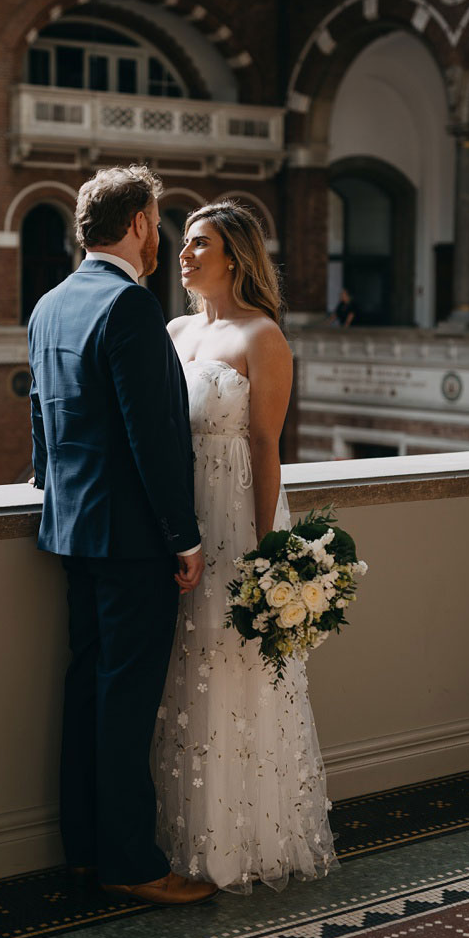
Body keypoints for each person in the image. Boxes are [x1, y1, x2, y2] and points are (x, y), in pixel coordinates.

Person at [27, 164, 216, 906]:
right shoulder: (131, 306)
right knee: (126, 705)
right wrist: (185, 535)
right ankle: (134, 863)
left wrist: (53, 489)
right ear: (140, 223)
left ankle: (85, 851)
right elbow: (156, 439)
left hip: (71, 530)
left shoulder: (49, 305)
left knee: (86, 695)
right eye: (159, 221)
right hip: (135, 539)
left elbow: (41, 423)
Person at [156, 200, 336, 892]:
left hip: (235, 521)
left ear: (234, 255)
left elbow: (266, 446)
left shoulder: (263, 337)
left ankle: (244, 844)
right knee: (182, 669)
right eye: (183, 244)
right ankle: (182, 835)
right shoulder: (172, 331)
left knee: (234, 666)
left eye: (199, 243)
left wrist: (268, 557)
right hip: (180, 519)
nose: (185, 253)